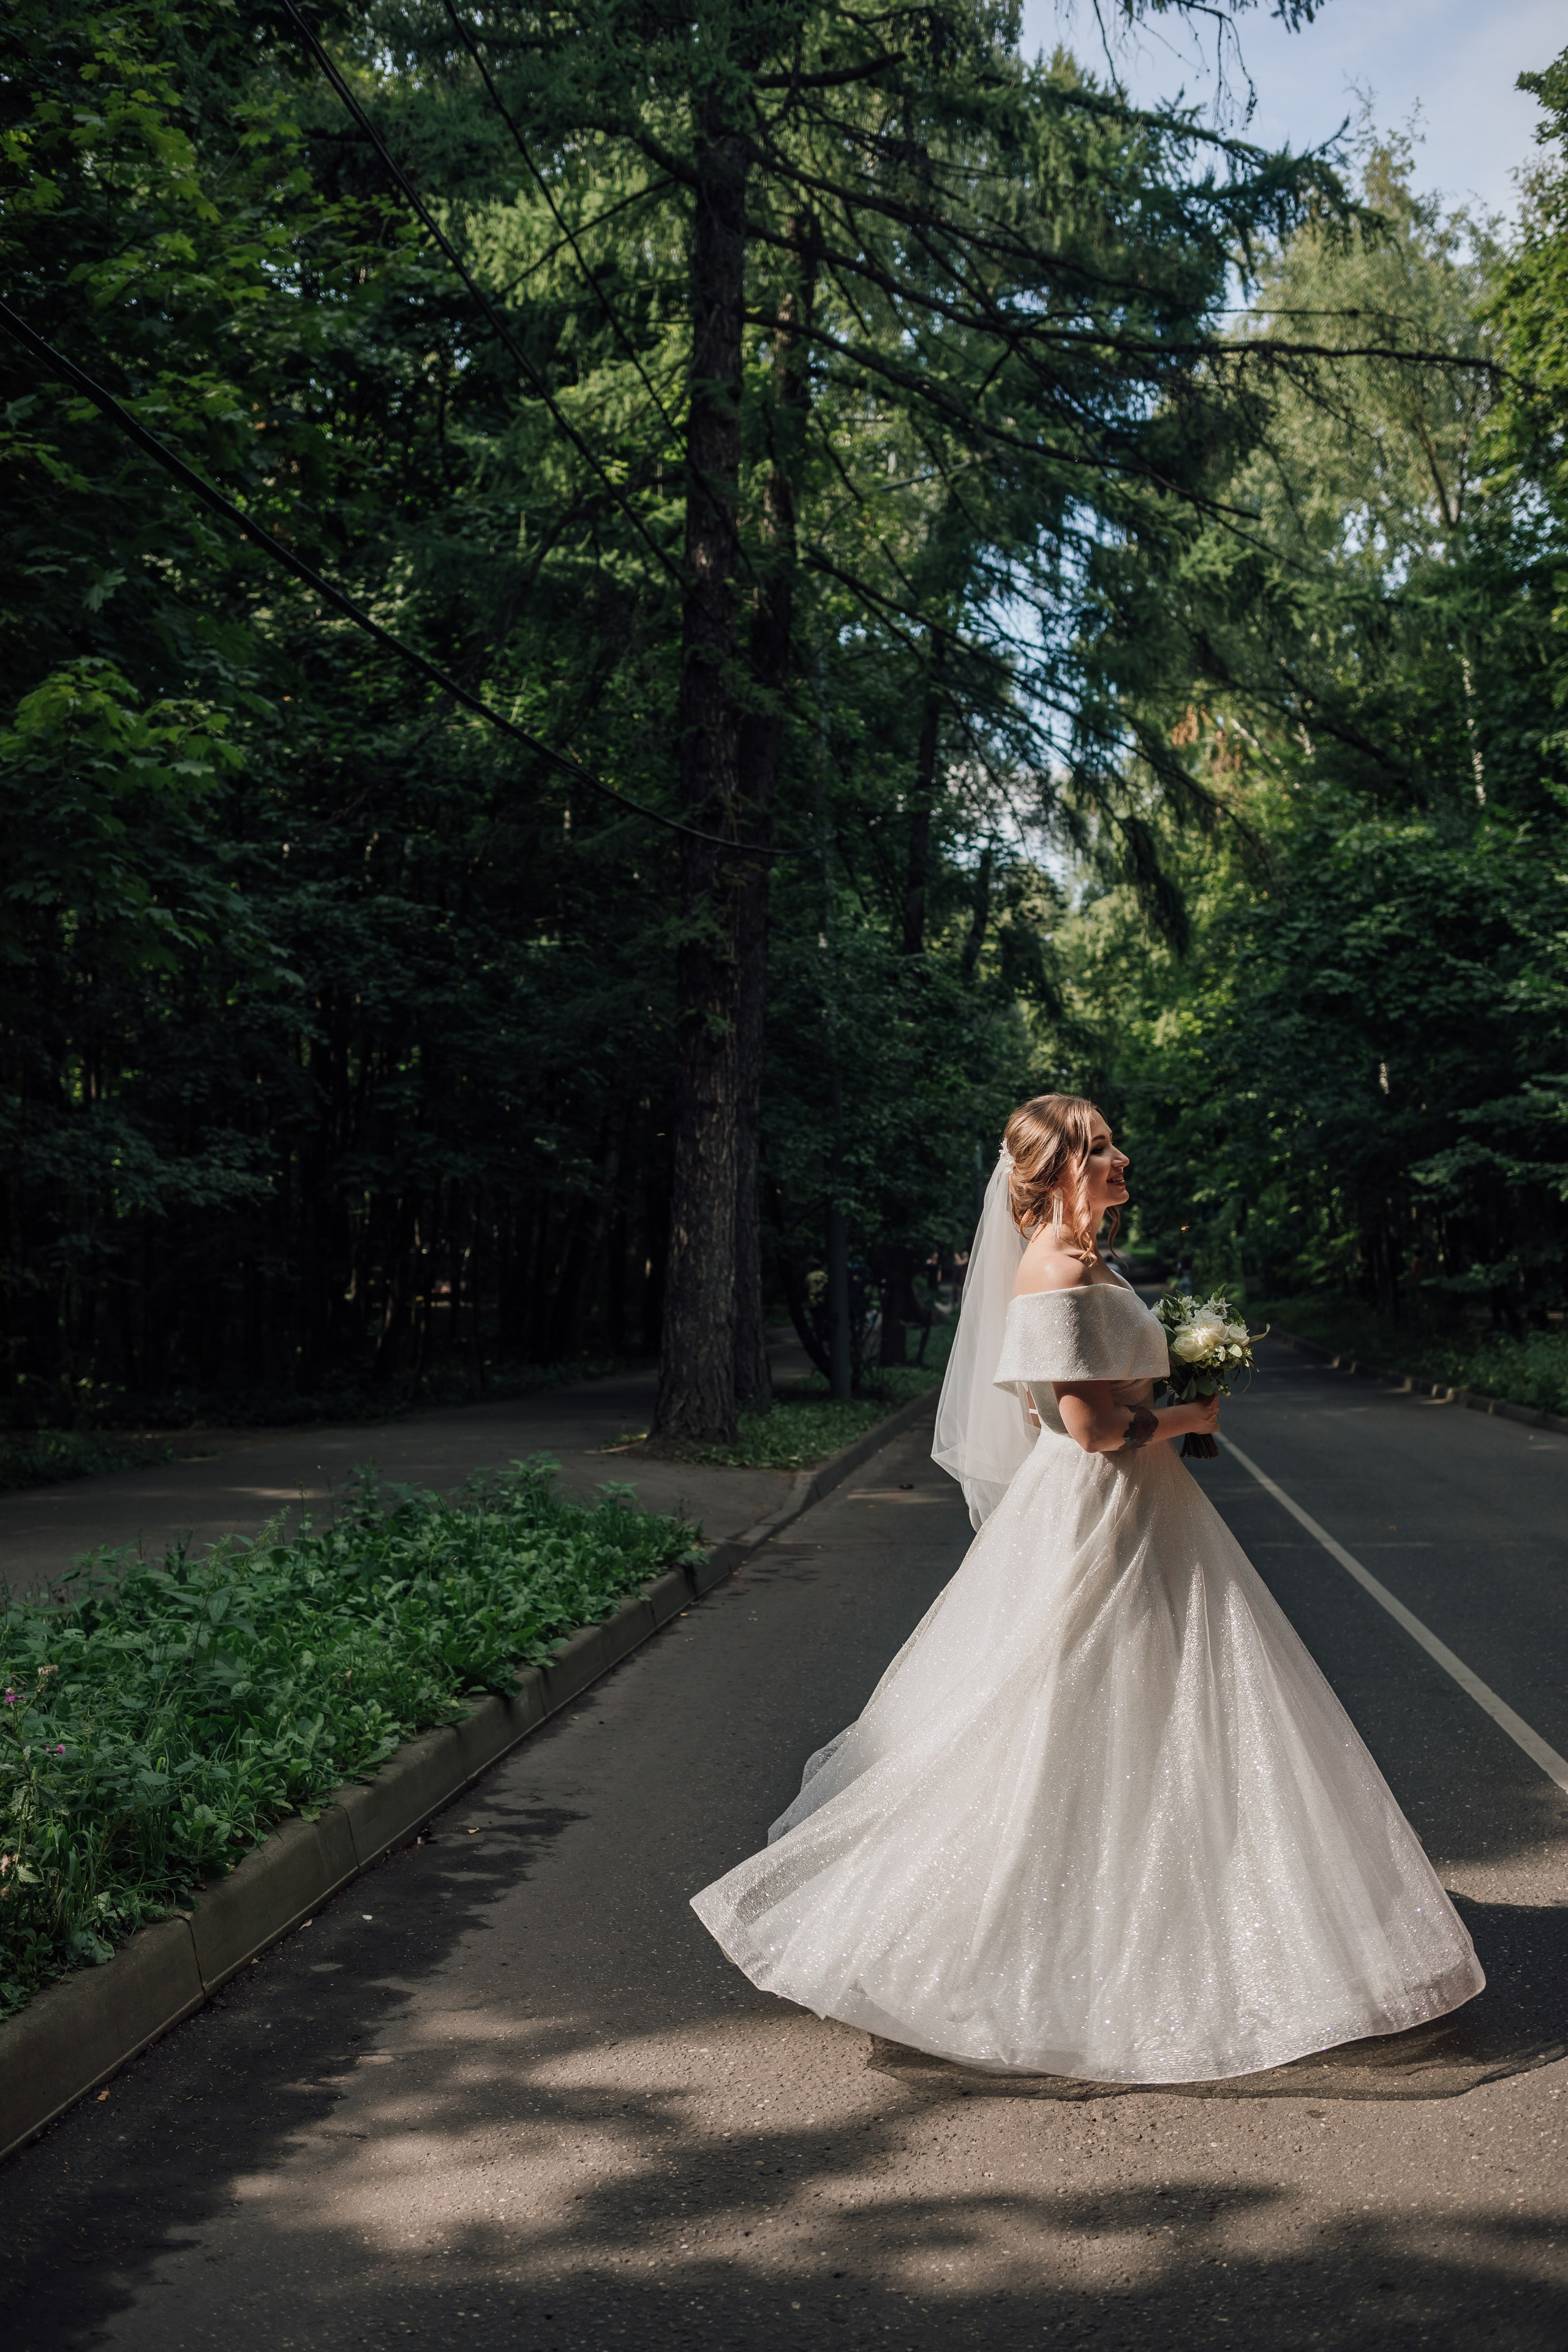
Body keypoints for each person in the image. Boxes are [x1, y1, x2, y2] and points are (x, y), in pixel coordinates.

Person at [691, 1092, 1482, 2084]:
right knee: (1067, 1716)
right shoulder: (1056, 1271)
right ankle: (1015, 1941)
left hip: (1146, 1509)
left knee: (1170, 1714)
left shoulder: (1095, 1262)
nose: (1119, 1158)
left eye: (1112, 1143)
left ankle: (1186, 1913)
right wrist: (1193, 1410)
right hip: (1105, 1508)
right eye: (1098, 1147)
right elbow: (1090, 1433)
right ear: (1057, 1169)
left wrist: (1175, 1380)